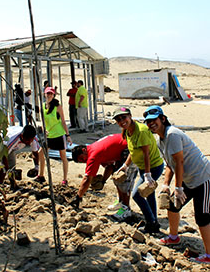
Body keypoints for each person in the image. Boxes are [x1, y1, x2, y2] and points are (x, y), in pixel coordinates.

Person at [143, 105, 210, 264]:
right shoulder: (160, 139)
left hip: (202, 178)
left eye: (154, 120)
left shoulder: (172, 134)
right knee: (173, 206)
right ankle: (174, 237)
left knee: (202, 217)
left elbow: (179, 162)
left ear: (163, 119)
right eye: (148, 122)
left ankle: (209, 255)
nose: (151, 124)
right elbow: (170, 164)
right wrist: (166, 185)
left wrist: (178, 188)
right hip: (187, 180)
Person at [114, 107, 164, 234]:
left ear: (130, 116)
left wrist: (147, 175)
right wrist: (125, 165)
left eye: (124, 117)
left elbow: (146, 154)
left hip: (153, 167)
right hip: (143, 167)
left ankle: (150, 223)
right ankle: (155, 223)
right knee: (149, 194)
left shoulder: (140, 131)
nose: (122, 121)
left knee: (137, 194)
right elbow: (133, 150)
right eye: (118, 119)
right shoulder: (127, 131)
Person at [71, 134, 138, 220]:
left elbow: (87, 179)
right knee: (116, 177)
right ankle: (121, 202)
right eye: (80, 162)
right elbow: (110, 167)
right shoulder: (95, 150)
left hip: (131, 150)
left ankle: (126, 209)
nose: (83, 161)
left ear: (84, 150)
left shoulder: (93, 155)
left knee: (124, 181)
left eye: (82, 158)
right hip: (123, 150)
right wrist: (103, 181)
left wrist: (78, 197)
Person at [0, 125, 45, 190]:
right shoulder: (13, 140)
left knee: (12, 166)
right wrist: (7, 169)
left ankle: (13, 185)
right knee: (4, 167)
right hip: (1, 144)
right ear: (22, 136)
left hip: (12, 148)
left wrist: (36, 167)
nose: (29, 142)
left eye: (30, 140)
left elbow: (35, 152)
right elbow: (4, 156)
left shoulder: (33, 139)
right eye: (27, 140)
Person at [42, 87, 72, 185]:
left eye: (51, 94)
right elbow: (43, 122)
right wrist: (44, 130)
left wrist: (68, 135)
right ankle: (41, 175)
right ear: (44, 94)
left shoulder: (58, 106)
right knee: (41, 153)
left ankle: (65, 178)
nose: (49, 95)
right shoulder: (43, 106)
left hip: (59, 134)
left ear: (54, 95)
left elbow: (63, 122)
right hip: (49, 135)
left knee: (63, 156)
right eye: (47, 93)